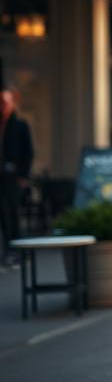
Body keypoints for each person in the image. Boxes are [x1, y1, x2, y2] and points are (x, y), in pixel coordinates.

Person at [0, 88, 33, 266]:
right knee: (3, 214)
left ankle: (18, 250)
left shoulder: (20, 125)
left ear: (13, 104)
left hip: (14, 177)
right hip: (1, 176)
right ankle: (8, 249)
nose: (2, 106)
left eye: (5, 102)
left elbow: (28, 152)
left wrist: (23, 175)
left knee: (13, 213)